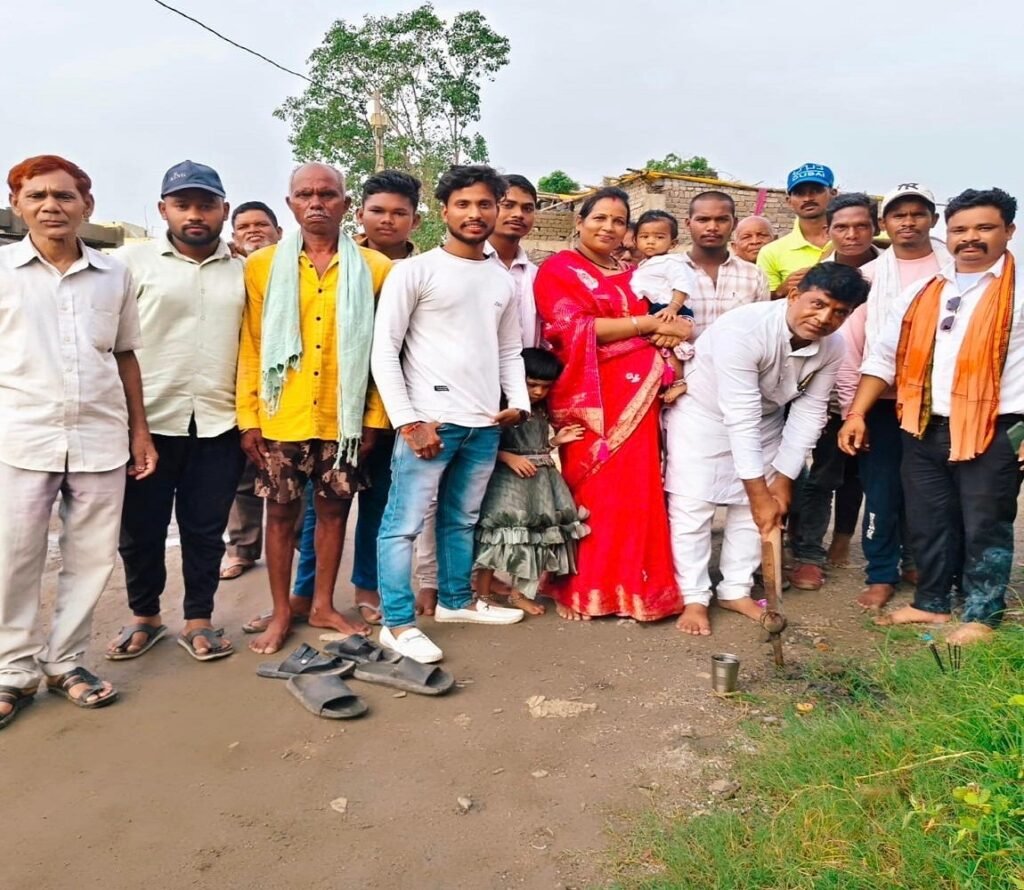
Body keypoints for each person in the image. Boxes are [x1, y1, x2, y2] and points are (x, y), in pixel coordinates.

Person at [0, 155, 156, 727]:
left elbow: (125, 354)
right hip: (21, 435)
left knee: (89, 558)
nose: (51, 206)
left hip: (99, 435)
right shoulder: (1, 271)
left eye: (64, 196)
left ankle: (65, 663)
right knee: (13, 559)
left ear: (86, 206)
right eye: (36, 195)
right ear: (17, 204)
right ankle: (10, 671)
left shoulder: (114, 274)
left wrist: (140, 430)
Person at [840, 188, 1024, 646]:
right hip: (923, 424)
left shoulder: (1019, 292)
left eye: (984, 228)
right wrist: (857, 413)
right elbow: (883, 356)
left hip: (996, 426)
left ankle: (983, 612)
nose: (971, 238)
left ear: (1009, 232)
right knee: (929, 518)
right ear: (949, 233)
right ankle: (933, 603)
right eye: (961, 229)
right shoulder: (926, 292)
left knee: (986, 521)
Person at [372, 165, 530, 663]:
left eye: (486, 204)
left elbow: (509, 349)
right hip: (431, 423)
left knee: (461, 520)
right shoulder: (414, 272)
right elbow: (384, 350)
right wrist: (408, 421)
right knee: (403, 526)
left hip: (484, 424)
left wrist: (518, 402)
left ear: (498, 209)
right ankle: (397, 624)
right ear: (444, 211)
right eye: (463, 204)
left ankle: (456, 601)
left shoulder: (501, 278)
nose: (475, 214)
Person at [237, 162, 392, 655]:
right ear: (291, 204)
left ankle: (324, 604)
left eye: (328, 194)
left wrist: (372, 418)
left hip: (342, 420)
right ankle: (283, 612)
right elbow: (253, 347)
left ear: (346, 205)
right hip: (283, 416)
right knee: (280, 516)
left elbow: (381, 354)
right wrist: (250, 419)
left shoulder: (375, 269)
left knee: (333, 514)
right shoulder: (260, 267)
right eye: (305, 194)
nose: (316, 203)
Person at [669, 263, 868, 636]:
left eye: (839, 312)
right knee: (692, 507)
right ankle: (694, 596)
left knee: (754, 513)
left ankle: (735, 590)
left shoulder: (833, 345)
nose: (825, 318)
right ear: (794, 295)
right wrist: (761, 492)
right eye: (817, 304)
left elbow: (810, 413)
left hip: (766, 420)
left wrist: (783, 480)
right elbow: (739, 416)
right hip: (704, 417)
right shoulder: (742, 331)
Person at [107, 161, 246, 662]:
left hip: (219, 421)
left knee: (206, 528)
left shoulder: (245, 269)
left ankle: (199, 619)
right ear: (163, 208)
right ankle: (144, 617)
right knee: (140, 529)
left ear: (223, 211)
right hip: (147, 422)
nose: (195, 215)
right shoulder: (128, 264)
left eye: (206, 205)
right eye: (183, 204)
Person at [534, 186, 691, 622]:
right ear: (578, 222)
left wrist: (665, 330)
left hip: (641, 399)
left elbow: (671, 314)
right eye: (600, 218)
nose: (609, 227)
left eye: (619, 221)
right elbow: (570, 330)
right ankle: (586, 588)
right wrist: (645, 326)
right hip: (592, 399)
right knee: (596, 493)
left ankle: (639, 588)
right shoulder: (559, 269)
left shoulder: (633, 271)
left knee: (639, 492)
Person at [835, 184, 950, 609]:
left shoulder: (954, 270)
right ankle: (880, 574)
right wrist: (854, 412)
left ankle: (918, 562)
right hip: (881, 403)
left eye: (918, 214)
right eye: (898, 215)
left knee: (930, 490)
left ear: (933, 220)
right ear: (885, 224)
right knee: (882, 490)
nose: (908, 222)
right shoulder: (869, 278)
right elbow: (852, 347)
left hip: (939, 403)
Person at [787, 193, 880, 588]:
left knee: (862, 475)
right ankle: (808, 552)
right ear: (828, 230)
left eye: (861, 225)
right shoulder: (814, 277)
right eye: (841, 226)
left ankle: (842, 540)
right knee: (819, 474)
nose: (852, 234)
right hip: (820, 393)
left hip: (879, 391)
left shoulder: (890, 271)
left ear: (876, 227)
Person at [474, 347, 591, 615]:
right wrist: (507, 458)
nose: (538, 392)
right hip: (508, 480)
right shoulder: (504, 408)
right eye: (532, 385)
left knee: (538, 537)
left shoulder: (540, 410)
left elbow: (536, 444)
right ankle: (482, 593)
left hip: (541, 480)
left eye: (545, 387)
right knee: (497, 536)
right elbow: (482, 443)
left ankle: (519, 593)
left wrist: (554, 442)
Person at [221, 201, 283, 582]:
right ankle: (242, 549)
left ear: (279, 232)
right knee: (242, 475)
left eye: (263, 224)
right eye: (244, 226)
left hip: (281, 386)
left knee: (288, 475)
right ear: (233, 235)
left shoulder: (288, 268)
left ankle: (293, 545)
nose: (253, 230)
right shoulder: (226, 270)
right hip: (233, 381)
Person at [678, 192, 771, 337]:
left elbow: (762, 332)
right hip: (677, 359)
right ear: (688, 224)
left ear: (734, 223)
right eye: (703, 220)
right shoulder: (668, 271)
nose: (712, 227)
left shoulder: (754, 275)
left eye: (722, 220)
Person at [757, 163, 836, 297]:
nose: (808, 198)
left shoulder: (852, 242)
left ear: (833, 194)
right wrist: (782, 290)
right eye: (799, 193)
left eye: (816, 190)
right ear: (789, 201)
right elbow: (762, 306)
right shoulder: (771, 252)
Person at [355, 169, 421, 260]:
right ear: (360, 215)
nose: (387, 220)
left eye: (399, 213)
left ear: (414, 221)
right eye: (377, 211)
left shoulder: (428, 270)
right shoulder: (339, 261)